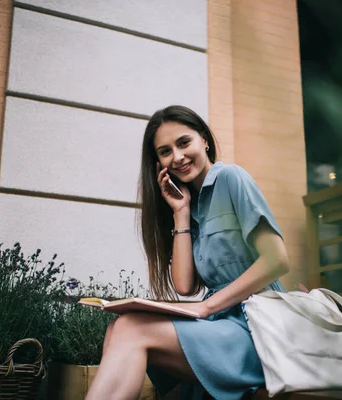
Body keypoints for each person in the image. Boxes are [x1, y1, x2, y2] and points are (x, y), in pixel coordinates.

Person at [85, 105, 290, 400]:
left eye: (184, 143)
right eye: (165, 151)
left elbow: (277, 259)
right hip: (220, 327)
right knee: (120, 326)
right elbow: (185, 286)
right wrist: (180, 212)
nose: (178, 157)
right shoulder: (188, 205)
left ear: (204, 140)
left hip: (259, 328)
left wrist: (206, 308)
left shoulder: (231, 178)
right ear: (158, 163)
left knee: (131, 329)